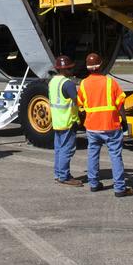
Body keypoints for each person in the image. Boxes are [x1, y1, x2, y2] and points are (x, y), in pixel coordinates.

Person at [77, 52, 133, 196]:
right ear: (101, 65)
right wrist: (125, 120)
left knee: (93, 154)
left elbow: (80, 105)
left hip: (92, 127)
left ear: (88, 67)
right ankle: (120, 188)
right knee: (115, 155)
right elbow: (120, 104)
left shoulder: (83, 84)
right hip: (111, 125)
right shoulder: (110, 83)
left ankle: (94, 184)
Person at [49, 55, 81, 186]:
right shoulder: (68, 84)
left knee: (59, 149)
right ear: (65, 70)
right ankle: (64, 176)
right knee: (67, 150)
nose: (72, 70)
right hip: (68, 121)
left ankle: (59, 173)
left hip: (57, 121)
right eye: (70, 68)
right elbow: (78, 101)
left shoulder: (53, 82)